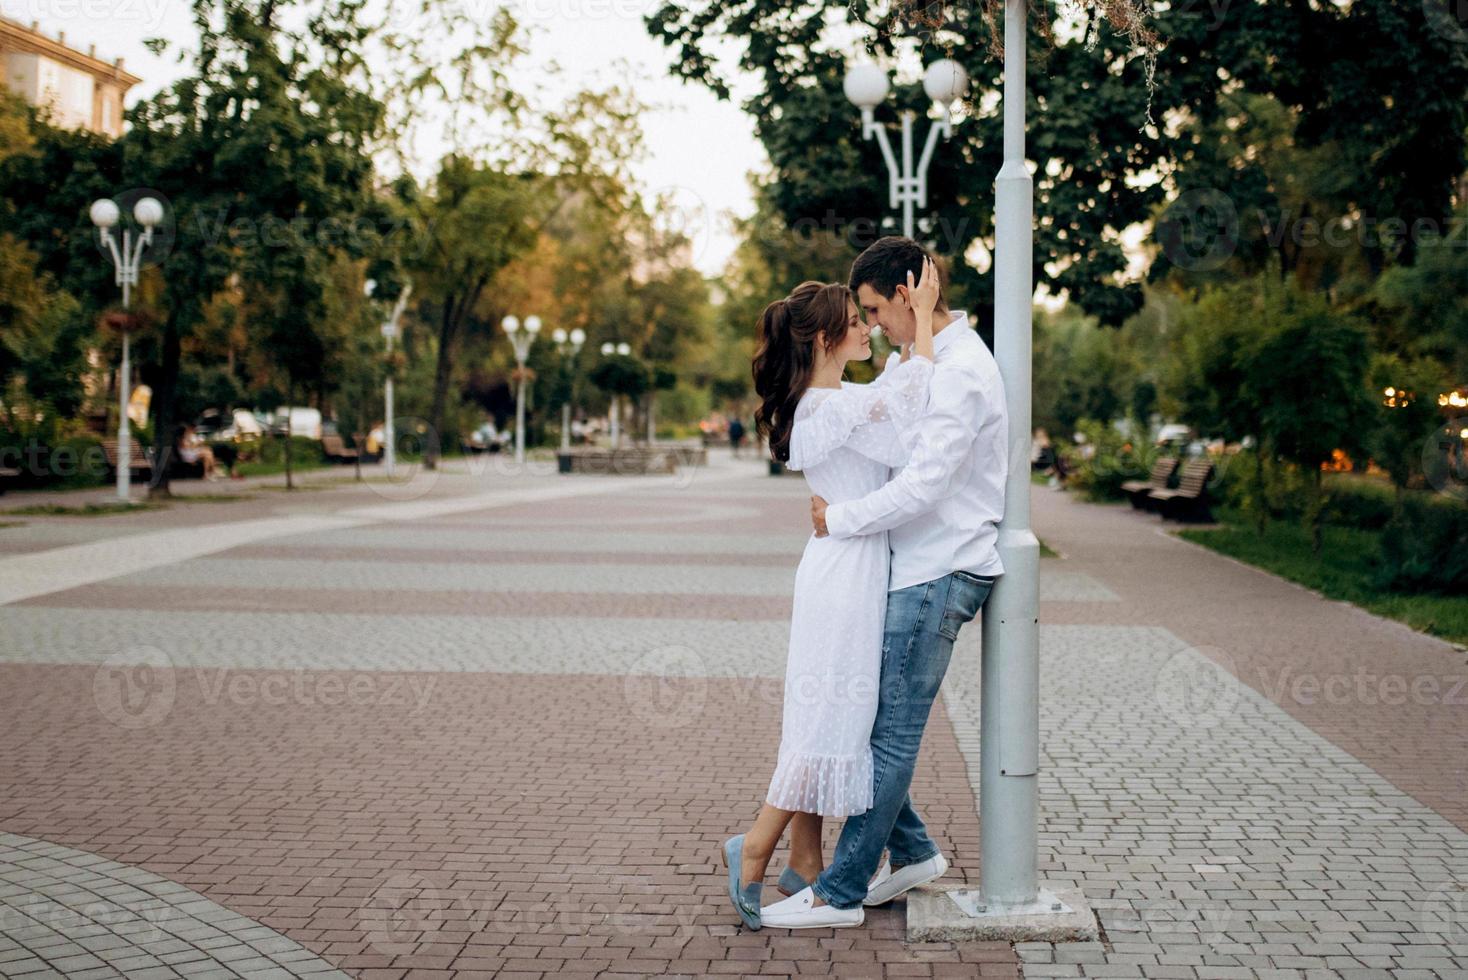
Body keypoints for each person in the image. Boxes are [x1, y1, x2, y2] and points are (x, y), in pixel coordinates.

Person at [761, 236, 1008, 929]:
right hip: (915, 568)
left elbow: (925, 483)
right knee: (875, 729)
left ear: (907, 295)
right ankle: (916, 853)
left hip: (938, 569)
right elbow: (888, 426)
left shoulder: (959, 370)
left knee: (888, 740)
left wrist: (839, 518)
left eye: (874, 308)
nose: (871, 324)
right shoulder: (931, 358)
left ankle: (839, 893)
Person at [721, 257, 942, 931]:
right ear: (825, 340)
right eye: (856, 325)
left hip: (845, 565)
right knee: (833, 720)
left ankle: (804, 859)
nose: (869, 331)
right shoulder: (831, 406)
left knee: (829, 713)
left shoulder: (834, 404)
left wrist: (912, 344)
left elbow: (898, 411)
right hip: (845, 576)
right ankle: (755, 849)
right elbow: (916, 402)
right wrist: (925, 322)